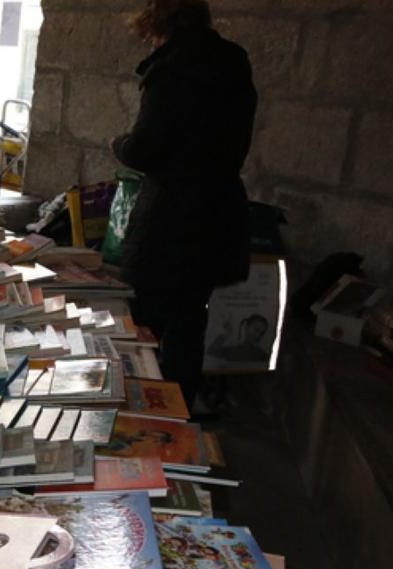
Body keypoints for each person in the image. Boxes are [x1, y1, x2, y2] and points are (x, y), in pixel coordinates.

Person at [110, 0, 257, 407]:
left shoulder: (172, 70)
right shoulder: (233, 63)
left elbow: (144, 149)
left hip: (170, 219)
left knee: (142, 331)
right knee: (189, 324)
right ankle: (178, 420)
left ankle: (138, 418)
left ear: (160, 24)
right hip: (218, 213)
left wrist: (119, 144)